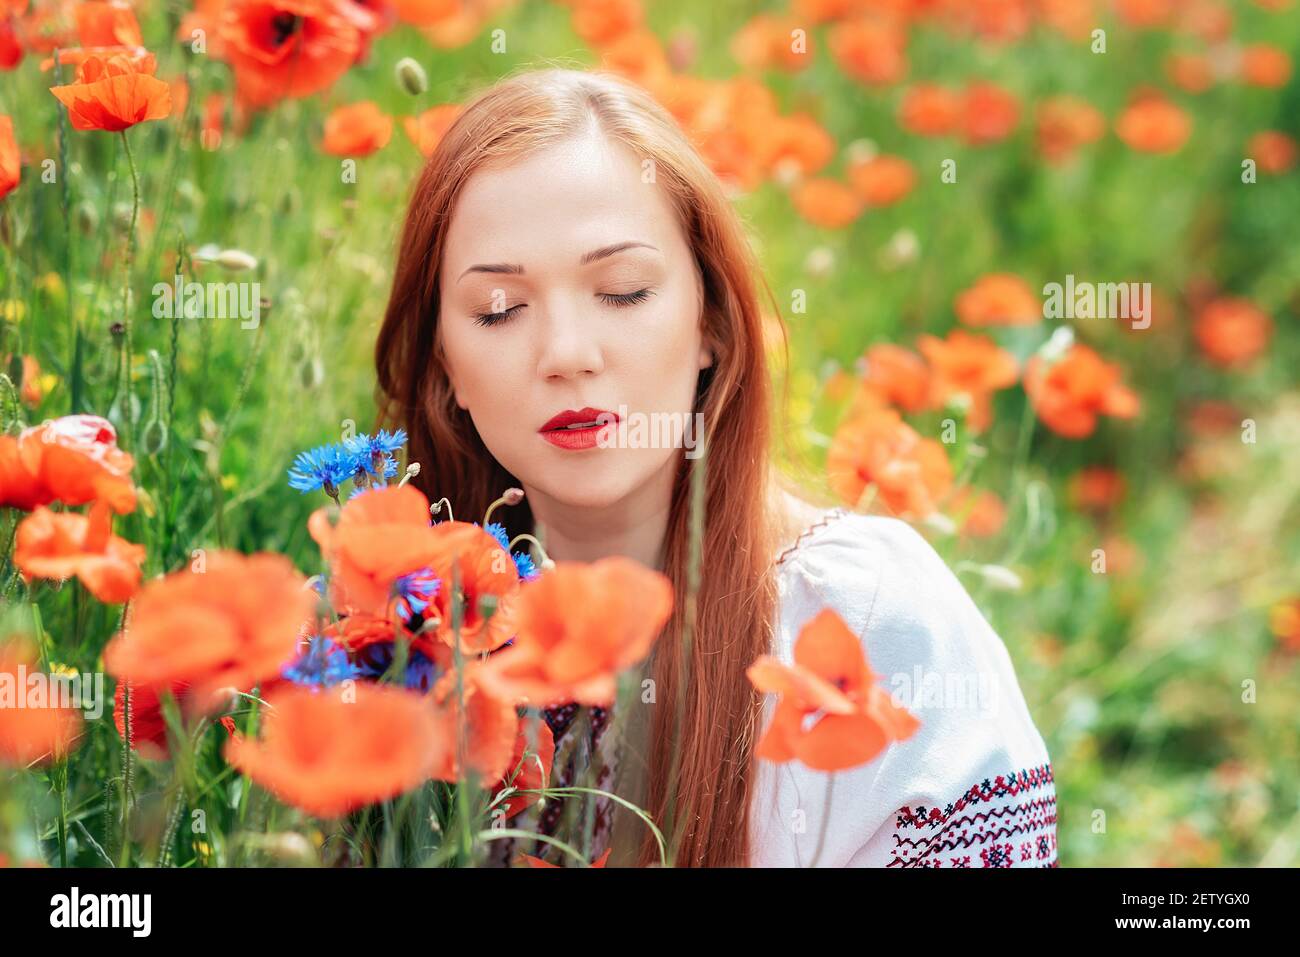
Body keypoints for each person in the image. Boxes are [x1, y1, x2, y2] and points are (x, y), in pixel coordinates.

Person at [375, 68, 1057, 867]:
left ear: (712, 323)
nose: (567, 352)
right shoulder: (399, 638)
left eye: (623, 292)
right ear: (444, 365)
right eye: (500, 309)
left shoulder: (865, 617)